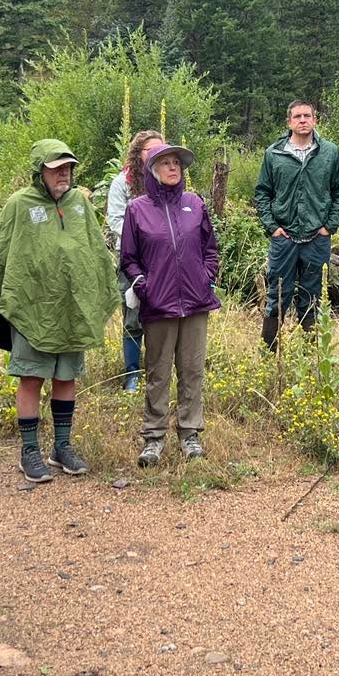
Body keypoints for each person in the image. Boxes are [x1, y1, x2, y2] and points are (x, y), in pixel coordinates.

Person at [0, 140, 119, 484]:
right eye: (56, 168)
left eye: (68, 168)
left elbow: (95, 252)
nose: (64, 174)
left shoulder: (79, 204)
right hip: (31, 306)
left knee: (66, 376)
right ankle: (29, 451)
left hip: (71, 307)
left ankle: (61, 447)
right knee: (31, 377)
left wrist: (102, 290)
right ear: (39, 170)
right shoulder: (19, 204)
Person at [120, 143, 220, 466]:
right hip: (158, 305)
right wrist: (143, 286)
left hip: (195, 303)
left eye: (177, 162)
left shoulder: (195, 204)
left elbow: (210, 248)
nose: (173, 168)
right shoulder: (138, 209)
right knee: (158, 372)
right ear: (152, 169)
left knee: (192, 370)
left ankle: (190, 435)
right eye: (166, 163)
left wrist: (206, 276)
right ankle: (154, 437)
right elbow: (129, 259)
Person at [253, 99, 339, 350]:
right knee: (277, 295)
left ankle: (311, 354)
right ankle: (269, 353)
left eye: (307, 115)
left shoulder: (329, 152)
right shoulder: (274, 154)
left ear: (315, 120)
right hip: (283, 238)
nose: (303, 120)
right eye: (297, 116)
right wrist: (272, 227)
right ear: (289, 122)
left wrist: (329, 226)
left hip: (316, 239)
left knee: (313, 296)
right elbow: (262, 193)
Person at [106, 129, 164, 392]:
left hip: (162, 258)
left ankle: (158, 371)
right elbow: (115, 220)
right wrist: (141, 238)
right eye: (150, 150)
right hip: (132, 258)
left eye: (161, 149)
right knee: (133, 315)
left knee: (161, 314)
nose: (156, 155)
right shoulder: (123, 183)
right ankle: (132, 373)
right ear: (138, 153)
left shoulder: (166, 178)